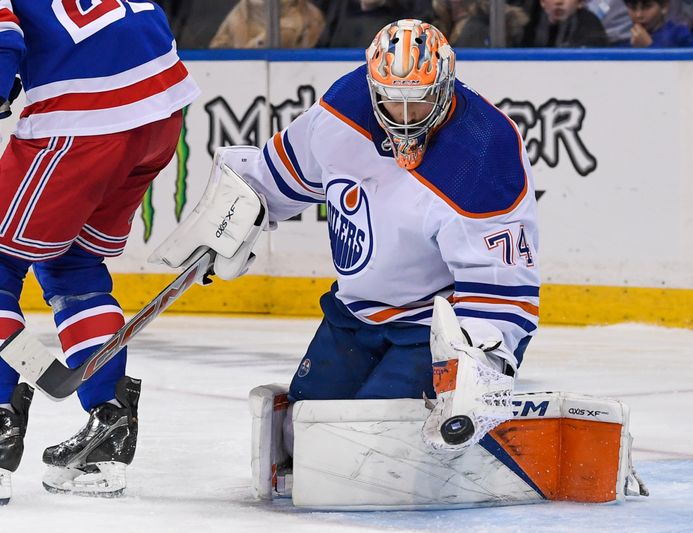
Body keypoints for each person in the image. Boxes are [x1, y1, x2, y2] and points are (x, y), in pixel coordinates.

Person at [233, 19, 540, 450]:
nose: (408, 116)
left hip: (431, 327)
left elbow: (502, 290)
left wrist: (476, 373)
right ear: (373, 89)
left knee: (373, 440)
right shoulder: (346, 107)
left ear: (446, 84)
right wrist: (228, 221)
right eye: (394, 102)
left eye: (420, 100)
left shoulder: (484, 151)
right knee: (302, 436)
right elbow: (279, 175)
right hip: (353, 313)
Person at [0, 0, 199, 503]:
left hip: (83, 116)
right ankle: (106, 433)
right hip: (162, 109)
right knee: (74, 266)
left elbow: (4, 41)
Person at [210, 0, 326, 49]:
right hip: (237, 80)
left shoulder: (309, 17)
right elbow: (217, 48)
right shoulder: (240, 12)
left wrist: (260, 40)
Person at [522, 0, 608, 47]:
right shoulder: (531, 25)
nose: (559, 2)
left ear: (580, 2)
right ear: (542, 2)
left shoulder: (591, 26)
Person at [622, 0, 693, 47]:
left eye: (647, 7)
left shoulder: (680, 34)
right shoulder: (625, 38)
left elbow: (688, 69)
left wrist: (649, 46)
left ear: (664, 7)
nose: (638, 15)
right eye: (633, 8)